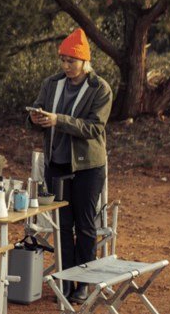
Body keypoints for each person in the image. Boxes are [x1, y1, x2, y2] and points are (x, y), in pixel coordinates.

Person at [28, 28, 113, 297]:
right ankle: (65, 283)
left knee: (85, 226)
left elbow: (94, 128)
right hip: (57, 163)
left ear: (84, 62)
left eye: (71, 61)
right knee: (62, 226)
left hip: (88, 167)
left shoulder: (100, 88)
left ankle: (83, 285)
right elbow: (39, 112)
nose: (66, 66)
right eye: (63, 60)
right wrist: (35, 119)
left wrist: (58, 120)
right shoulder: (52, 84)